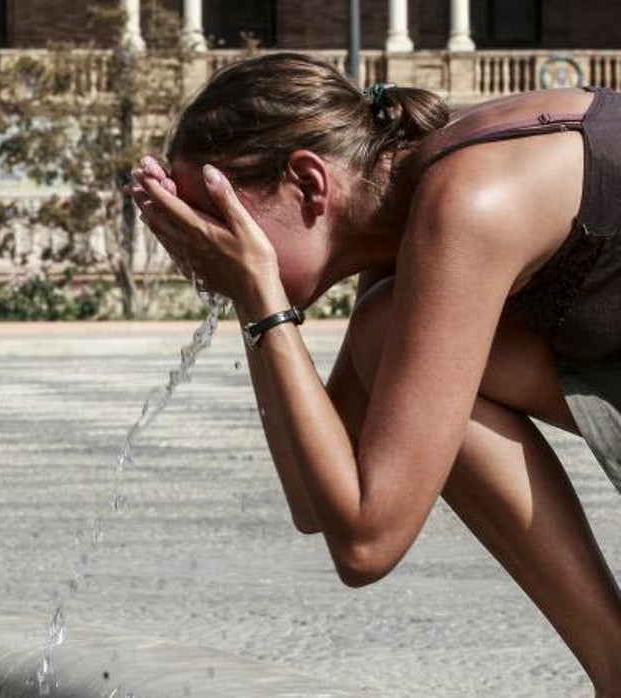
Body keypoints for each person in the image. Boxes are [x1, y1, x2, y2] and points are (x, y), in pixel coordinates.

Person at [128, 52, 621, 692]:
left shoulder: (470, 201)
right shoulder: (408, 219)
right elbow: (318, 502)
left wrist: (260, 296)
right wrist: (258, 299)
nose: (207, 256)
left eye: (220, 223)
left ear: (308, 183)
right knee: (383, 328)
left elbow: (368, 542)